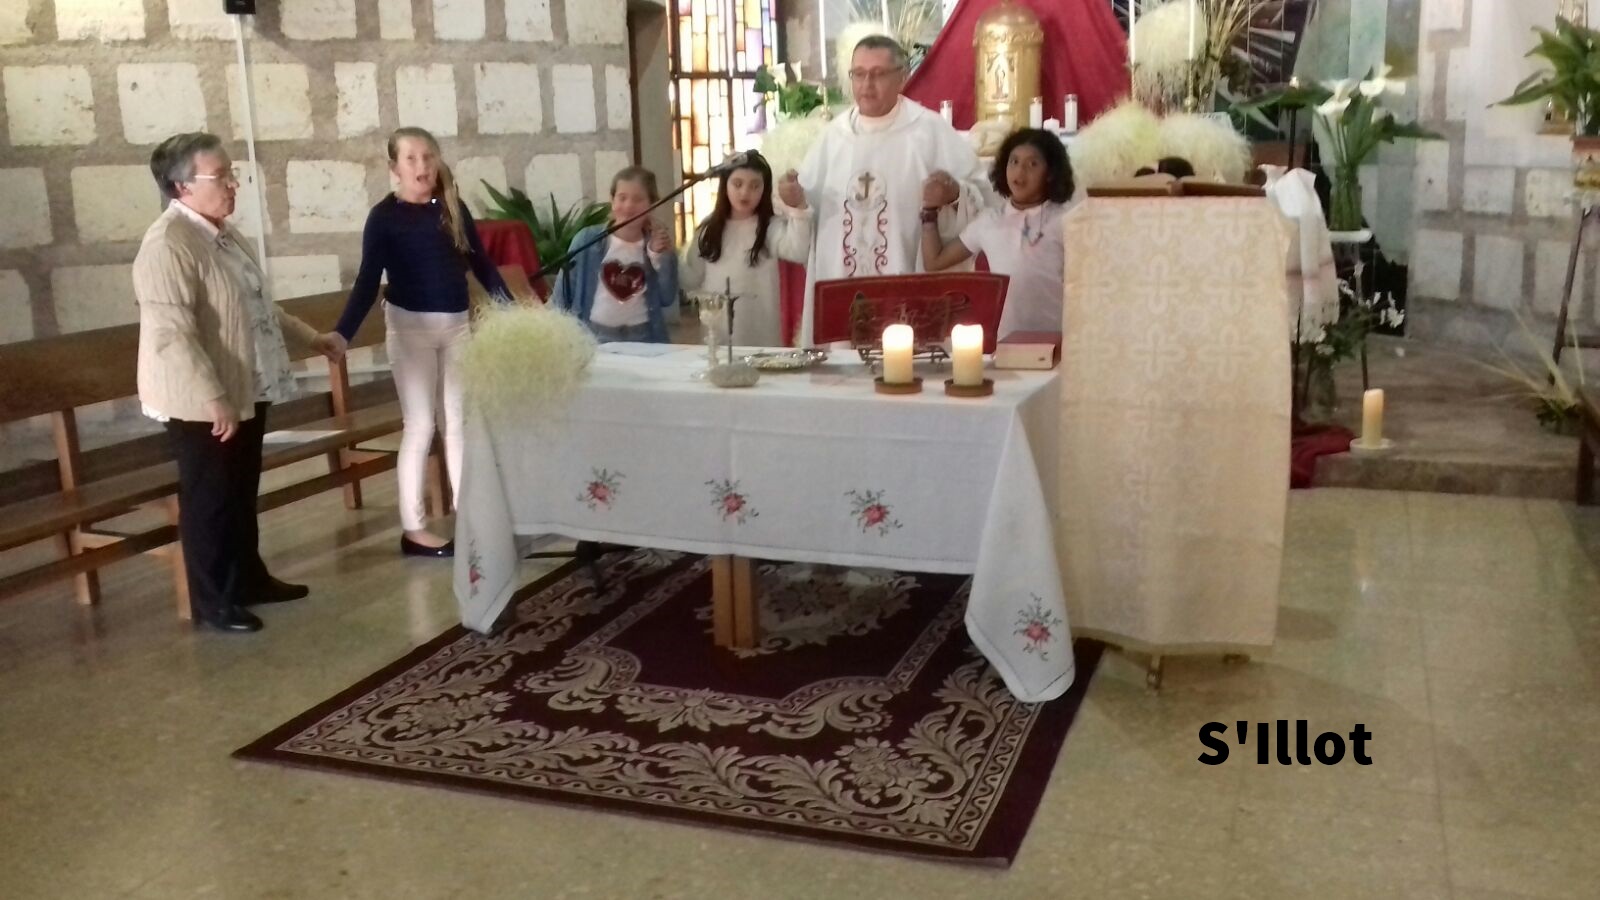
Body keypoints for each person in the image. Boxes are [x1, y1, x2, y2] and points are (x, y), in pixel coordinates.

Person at [133, 132, 343, 633]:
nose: (233, 184)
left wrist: (312, 338)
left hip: (245, 384)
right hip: (200, 397)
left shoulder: (222, 234)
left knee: (241, 489)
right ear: (182, 186)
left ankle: (249, 578)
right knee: (210, 498)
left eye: (232, 174)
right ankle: (213, 600)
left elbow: (258, 305)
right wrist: (212, 396)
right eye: (221, 175)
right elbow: (171, 334)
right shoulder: (167, 244)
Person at [334, 126, 513, 559]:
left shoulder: (452, 207)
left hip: (456, 328)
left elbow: (482, 265)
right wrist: (342, 334)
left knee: (458, 421)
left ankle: (470, 515)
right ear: (394, 168)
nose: (422, 165)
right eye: (411, 158)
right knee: (420, 426)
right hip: (410, 329)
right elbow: (367, 281)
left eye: (428, 157)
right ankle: (414, 529)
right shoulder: (384, 217)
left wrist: (514, 310)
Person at [795, 35, 994, 346]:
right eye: (858, 73)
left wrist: (954, 195)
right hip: (841, 285)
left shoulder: (929, 131)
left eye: (878, 74)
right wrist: (795, 202)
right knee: (843, 363)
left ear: (902, 77)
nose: (866, 84)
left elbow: (982, 198)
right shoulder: (832, 137)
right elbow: (805, 216)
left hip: (906, 286)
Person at [920, 128, 1074, 337]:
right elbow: (935, 261)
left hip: (1056, 338)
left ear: (1051, 173)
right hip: (1005, 341)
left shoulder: (1066, 220)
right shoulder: (989, 221)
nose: (1020, 172)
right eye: (1014, 162)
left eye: (1032, 164)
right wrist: (929, 212)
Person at [679, 151, 812, 346]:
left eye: (755, 186)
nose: (745, 193)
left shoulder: (769, 227)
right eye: (737, 184)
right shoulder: (709, 229)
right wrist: (665, 256)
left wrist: (797, 207)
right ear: (725, 185)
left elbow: (798, 250)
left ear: (764, 189)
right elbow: (690, 279)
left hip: (761, 336)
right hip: (717, 336)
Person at [555, 167, 679, 343]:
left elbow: (667, 297)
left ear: (652, 204)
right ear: (612, 201)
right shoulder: (587, 239)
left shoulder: (658, 243)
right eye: (622, 198)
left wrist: (659, 256)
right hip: (594, 336)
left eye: (638, 199)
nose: (628, 206)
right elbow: (562, 294)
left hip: (644, 336)